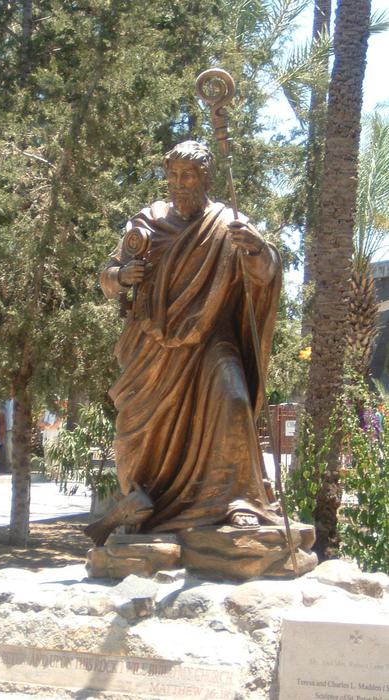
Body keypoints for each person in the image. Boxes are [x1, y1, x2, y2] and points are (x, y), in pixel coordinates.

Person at [88, 140, 283, 543]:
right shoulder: (148, 222)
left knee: (233, 401)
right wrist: (122, 276)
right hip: (153, 349)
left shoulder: (228, 224)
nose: (179, 183)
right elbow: (108, 277)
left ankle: (239, 500)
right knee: (139, 432)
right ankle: (141, 502)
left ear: (205, 178)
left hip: (213, 338)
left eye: (188, 176)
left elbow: (265, 275)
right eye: (173, 175)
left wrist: (257, 249)